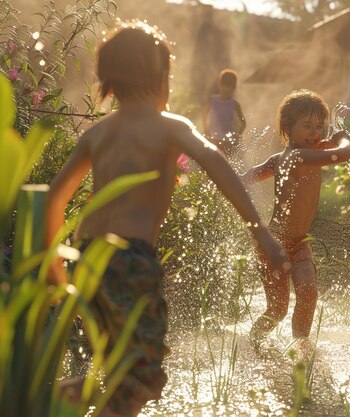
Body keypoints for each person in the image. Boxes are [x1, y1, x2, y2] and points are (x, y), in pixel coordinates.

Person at [44, 22, 287, 417]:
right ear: (161, 78)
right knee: (139, 377)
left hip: (87, 260)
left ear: (110, 81)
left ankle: (62, 394)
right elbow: (215, 162)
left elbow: (54, 198)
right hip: (130, 259)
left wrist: (56, 268)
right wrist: (260, 231)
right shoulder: (170, 126)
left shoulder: (98, 134)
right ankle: (60, 399)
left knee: (114, 366)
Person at [242, 89, 350, 342]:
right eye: (307, 126)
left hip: (300, 242)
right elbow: (344, 153)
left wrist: (232, 180)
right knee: (277, 309)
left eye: (319, 126)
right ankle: (255, 342)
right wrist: (343, 138)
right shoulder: (300, 156)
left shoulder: (285, 157)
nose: (315, 132)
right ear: (287, 128)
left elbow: (251, 175)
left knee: (309, 293)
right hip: (275, 244)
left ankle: (300, 346)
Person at [201, 68, 246, 160]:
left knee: (228, 163)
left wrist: (236, 136)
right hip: (214, 139)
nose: (226, 90)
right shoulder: (213, 100)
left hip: (228, 141)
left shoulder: (234, 104)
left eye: (229, 87)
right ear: (219, 85)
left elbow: (243, 123)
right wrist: (206, 129)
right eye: (225, 86)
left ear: (234, 88)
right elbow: (204, 114)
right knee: (212, 163)